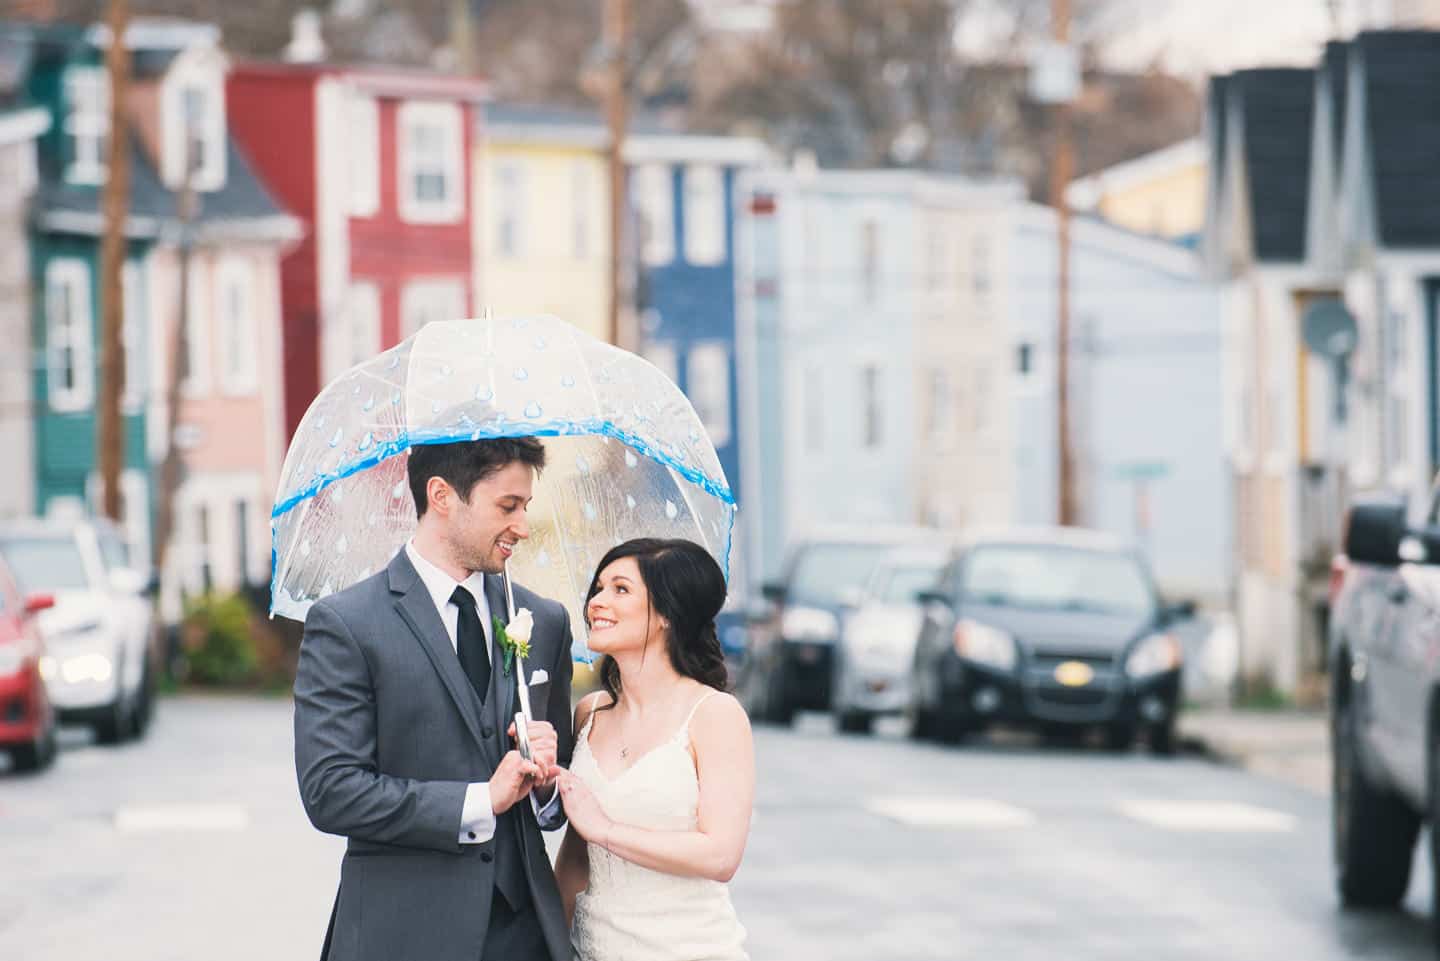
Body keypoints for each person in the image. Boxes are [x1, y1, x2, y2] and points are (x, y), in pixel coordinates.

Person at [293, 436, 576, 961]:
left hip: (523, 935)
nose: (521, 525)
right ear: (442, 496)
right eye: (507, 506)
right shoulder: (348, 624)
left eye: (526, 507)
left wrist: (546, 784)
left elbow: (554, 808)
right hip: (401, 932)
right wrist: (478, 802)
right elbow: (331, 791)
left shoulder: (546, 621)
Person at [554, 538, 754, 961]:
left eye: (620, 589)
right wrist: (545, 943)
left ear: (666, 613)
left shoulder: (714, 714)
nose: (597, 602)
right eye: (599, 587)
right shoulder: (589, 714)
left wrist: (605, 830)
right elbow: (575, 858)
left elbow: (720, 854)